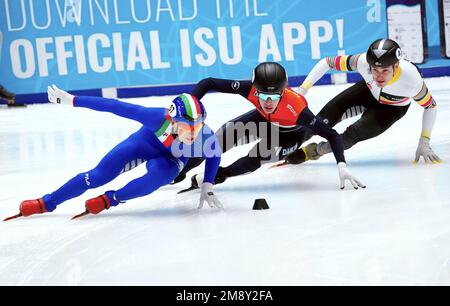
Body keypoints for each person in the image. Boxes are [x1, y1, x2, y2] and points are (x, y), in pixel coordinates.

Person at [4, 86, 222, 221]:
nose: (193, 133)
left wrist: (208, 184)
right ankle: (47, 202)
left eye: (198, 126)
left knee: (157, 179)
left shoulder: (205, 136)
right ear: (172, 120)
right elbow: (114, 106)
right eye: (186, 127)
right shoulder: (156, 118)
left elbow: (215, 155)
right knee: (97, 176)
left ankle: (111, 199)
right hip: (144, 143)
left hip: (171, 160)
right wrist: (72, 100)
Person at [174, 62, 364, 191]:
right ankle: (180, 170)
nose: (268, 102)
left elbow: (331, 135)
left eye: (274, 97)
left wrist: (341, 164)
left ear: (283, 92)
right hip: (263, 120)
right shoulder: (249, 89)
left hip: (290, 134)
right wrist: (189, 109)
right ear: (255, 89)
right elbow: (208, 83)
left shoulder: (296, 108)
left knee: (257, 156)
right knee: (217, 140)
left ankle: (220, 175)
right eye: (263, 96)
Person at [285, 38, 442, 165]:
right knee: (316, 123)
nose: (379, 76)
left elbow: (431, 106)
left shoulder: (411, 79)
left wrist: (424, 141)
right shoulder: (363, 62)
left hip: (390, 109)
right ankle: (278, 148)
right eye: (375, 70)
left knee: (348, 138)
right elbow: (327, 62)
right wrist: (302, 91)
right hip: (366, 92)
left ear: (396, 66)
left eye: (385, 70)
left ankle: (315, 151)